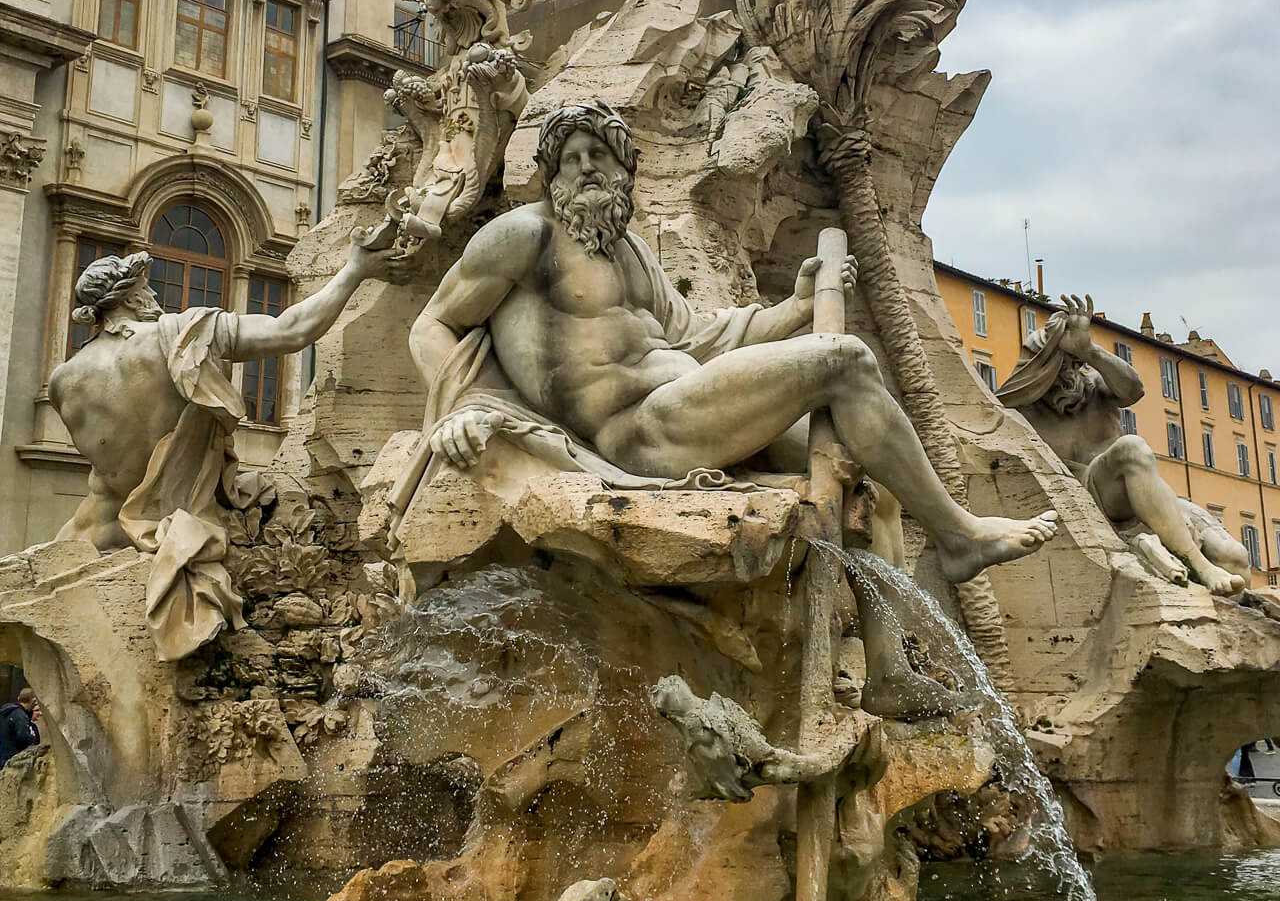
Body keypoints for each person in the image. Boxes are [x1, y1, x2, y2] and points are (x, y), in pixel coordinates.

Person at [410, 102, 1059, 595]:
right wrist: (461, 408)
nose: (584, 168)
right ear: (550, 175)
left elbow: (700, 335)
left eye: (598, 155)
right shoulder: (524, 237)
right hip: (640, 432)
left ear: (623, 169)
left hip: (689, 403)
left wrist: (797, 307)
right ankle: (959, 535)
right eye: (569, 158)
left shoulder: (632, 251)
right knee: (846, 360)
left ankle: (885, 671)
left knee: (877, 483)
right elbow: (432, 325)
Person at [50, 225, 395, 659]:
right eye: (148, 290)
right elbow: (292, 331)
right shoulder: (180, 335)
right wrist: (355, 269)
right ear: (133, 297)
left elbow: (112, 460)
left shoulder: (64, 379)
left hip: (91, 541)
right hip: (177, 532)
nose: (156, 298)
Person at [997, 294, 1249, 596]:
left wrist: (1089, 350)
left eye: (1073, 365)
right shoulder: (1024, 413)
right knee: (1131, 447)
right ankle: (1198, 564)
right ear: (1039, 372)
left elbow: (1134, 389)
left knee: (1236, 559)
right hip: (1095, 497)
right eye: (1058, 366)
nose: (1069, 374)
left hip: (1145, 492)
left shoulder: (1098, 389)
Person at [0, 686, 40, 770]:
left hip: (5, 756)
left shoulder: (9, 712)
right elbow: (22, 737)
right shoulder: (20, 715)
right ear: (32, 700)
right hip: (14, 759)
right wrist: (32, 737)